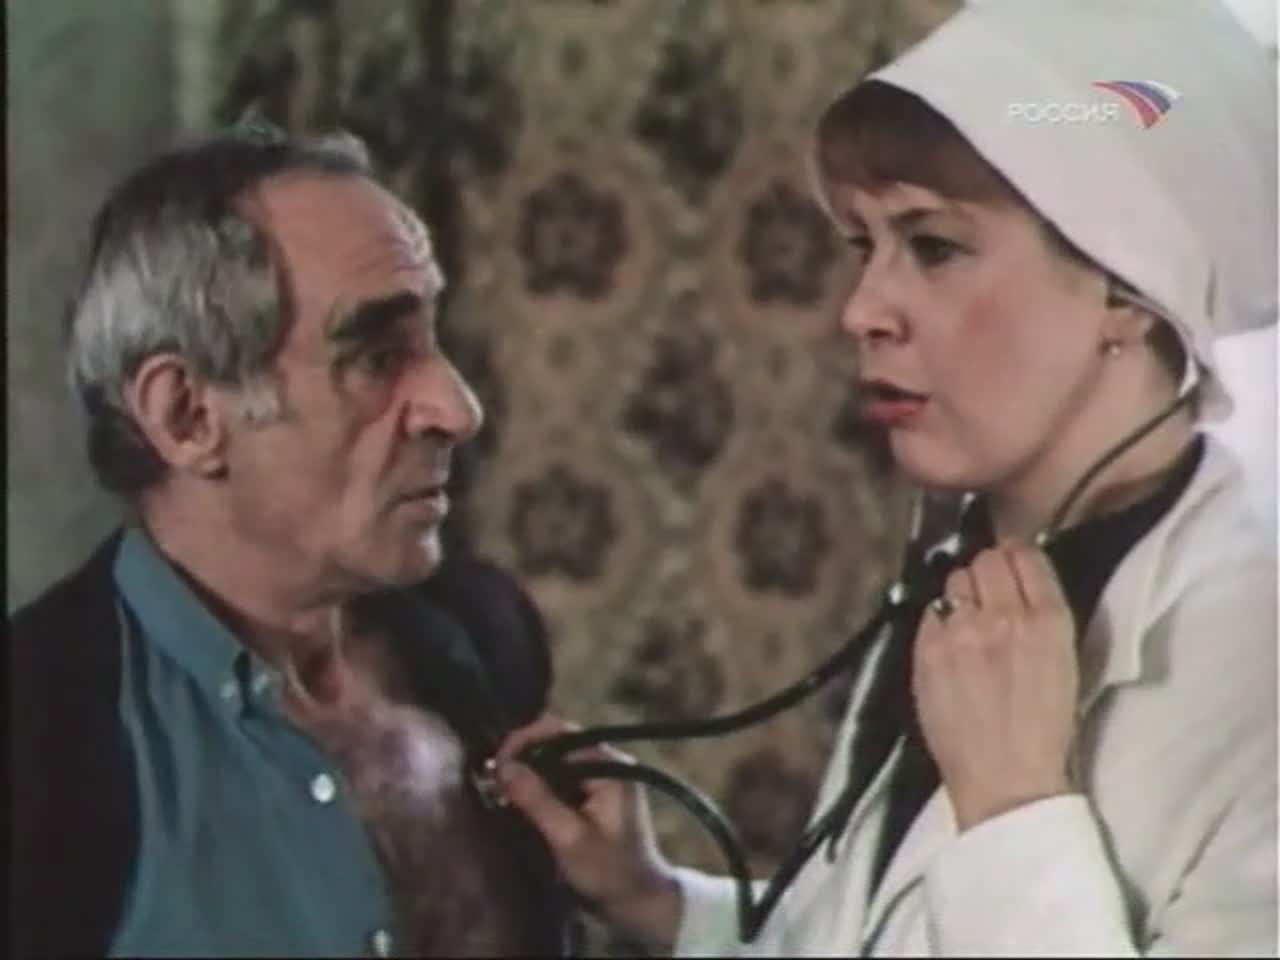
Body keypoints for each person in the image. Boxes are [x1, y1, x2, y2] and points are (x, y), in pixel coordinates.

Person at [493, 0, 1278, 954]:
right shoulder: (971, 578)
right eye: (866, 246)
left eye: (934, 246)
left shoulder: (1256, 663)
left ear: (1126, 287)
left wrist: (1016, 805)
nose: (861, 310)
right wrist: (659, 902)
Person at [11, 124, 574, 957]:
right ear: (187, 415)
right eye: (377, 357)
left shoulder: (482, 636)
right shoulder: (33, 733)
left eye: (432, 342)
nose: (456, 409)